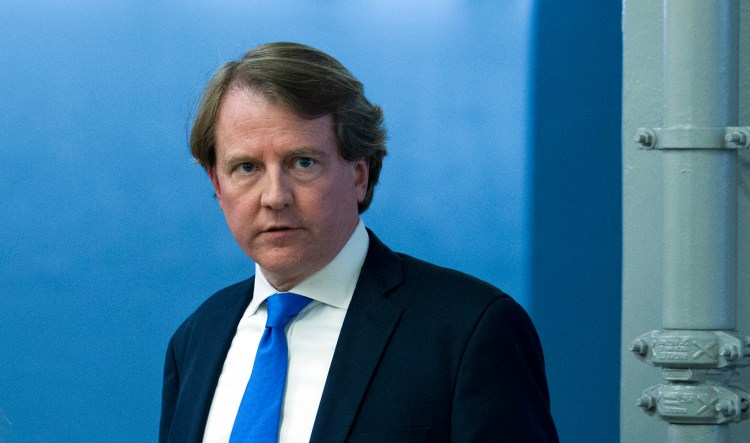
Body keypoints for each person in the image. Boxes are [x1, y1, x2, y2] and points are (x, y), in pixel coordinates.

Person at [160, 42, 559, 443]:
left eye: (303, 162)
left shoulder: (469, 332)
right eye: (247, 167)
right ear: (217, 183)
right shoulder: (196, 341)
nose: (274, 196)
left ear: (359, 174)